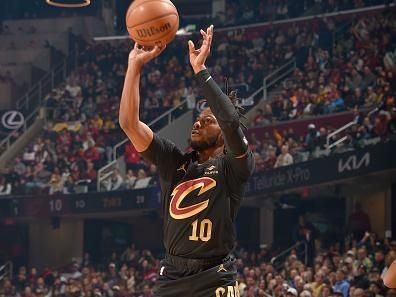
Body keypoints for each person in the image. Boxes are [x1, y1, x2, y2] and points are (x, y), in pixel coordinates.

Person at [119, 25, 255, 297]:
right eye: (198, 117)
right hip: (172, 275)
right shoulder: (174, 160)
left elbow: (230, 121)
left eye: (208, 121)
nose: (198, 122)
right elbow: (129, 125)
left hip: (215, 275)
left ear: (222, 135)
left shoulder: (235, 165)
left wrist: (200, 70)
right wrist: (134, 66)